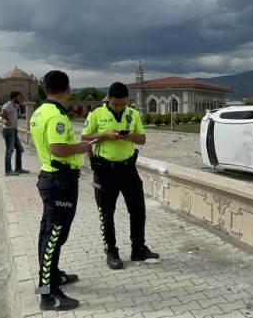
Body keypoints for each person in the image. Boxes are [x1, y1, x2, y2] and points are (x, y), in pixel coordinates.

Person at [30, 70, 91, 311]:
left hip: (49, 177)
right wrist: (81, 147)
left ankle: (53, 275)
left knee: (48, 232)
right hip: (59, 180)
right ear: (68, 89)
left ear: (45, 90)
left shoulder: (39, 112)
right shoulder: (56, 115)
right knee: (54, 236)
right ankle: (48, 294)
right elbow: (58, 148)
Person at [81, 82, 159, 270]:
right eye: (116, 104)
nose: (120, 107)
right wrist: (105, 135)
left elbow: (143, 139)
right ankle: (111, 252)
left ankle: (138, 248)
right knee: (107, 213)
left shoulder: (133, 115)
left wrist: (131, 136)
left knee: (138, 209)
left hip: (128, 169)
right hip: (104, 170)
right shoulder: (96, 114)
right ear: (109, 99)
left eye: (124, 104)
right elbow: (85, 137)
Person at [1, 91, 29, 176]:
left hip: (13, 130)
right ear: (14, 98)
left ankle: (18, 168)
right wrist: (8, 121)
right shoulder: (7, 105)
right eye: (19, 97)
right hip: (9, 130)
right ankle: (8, 171)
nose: (20, 99)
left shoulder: (14, 106)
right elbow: (2, 113)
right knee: (9, 150)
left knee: (19, 149)